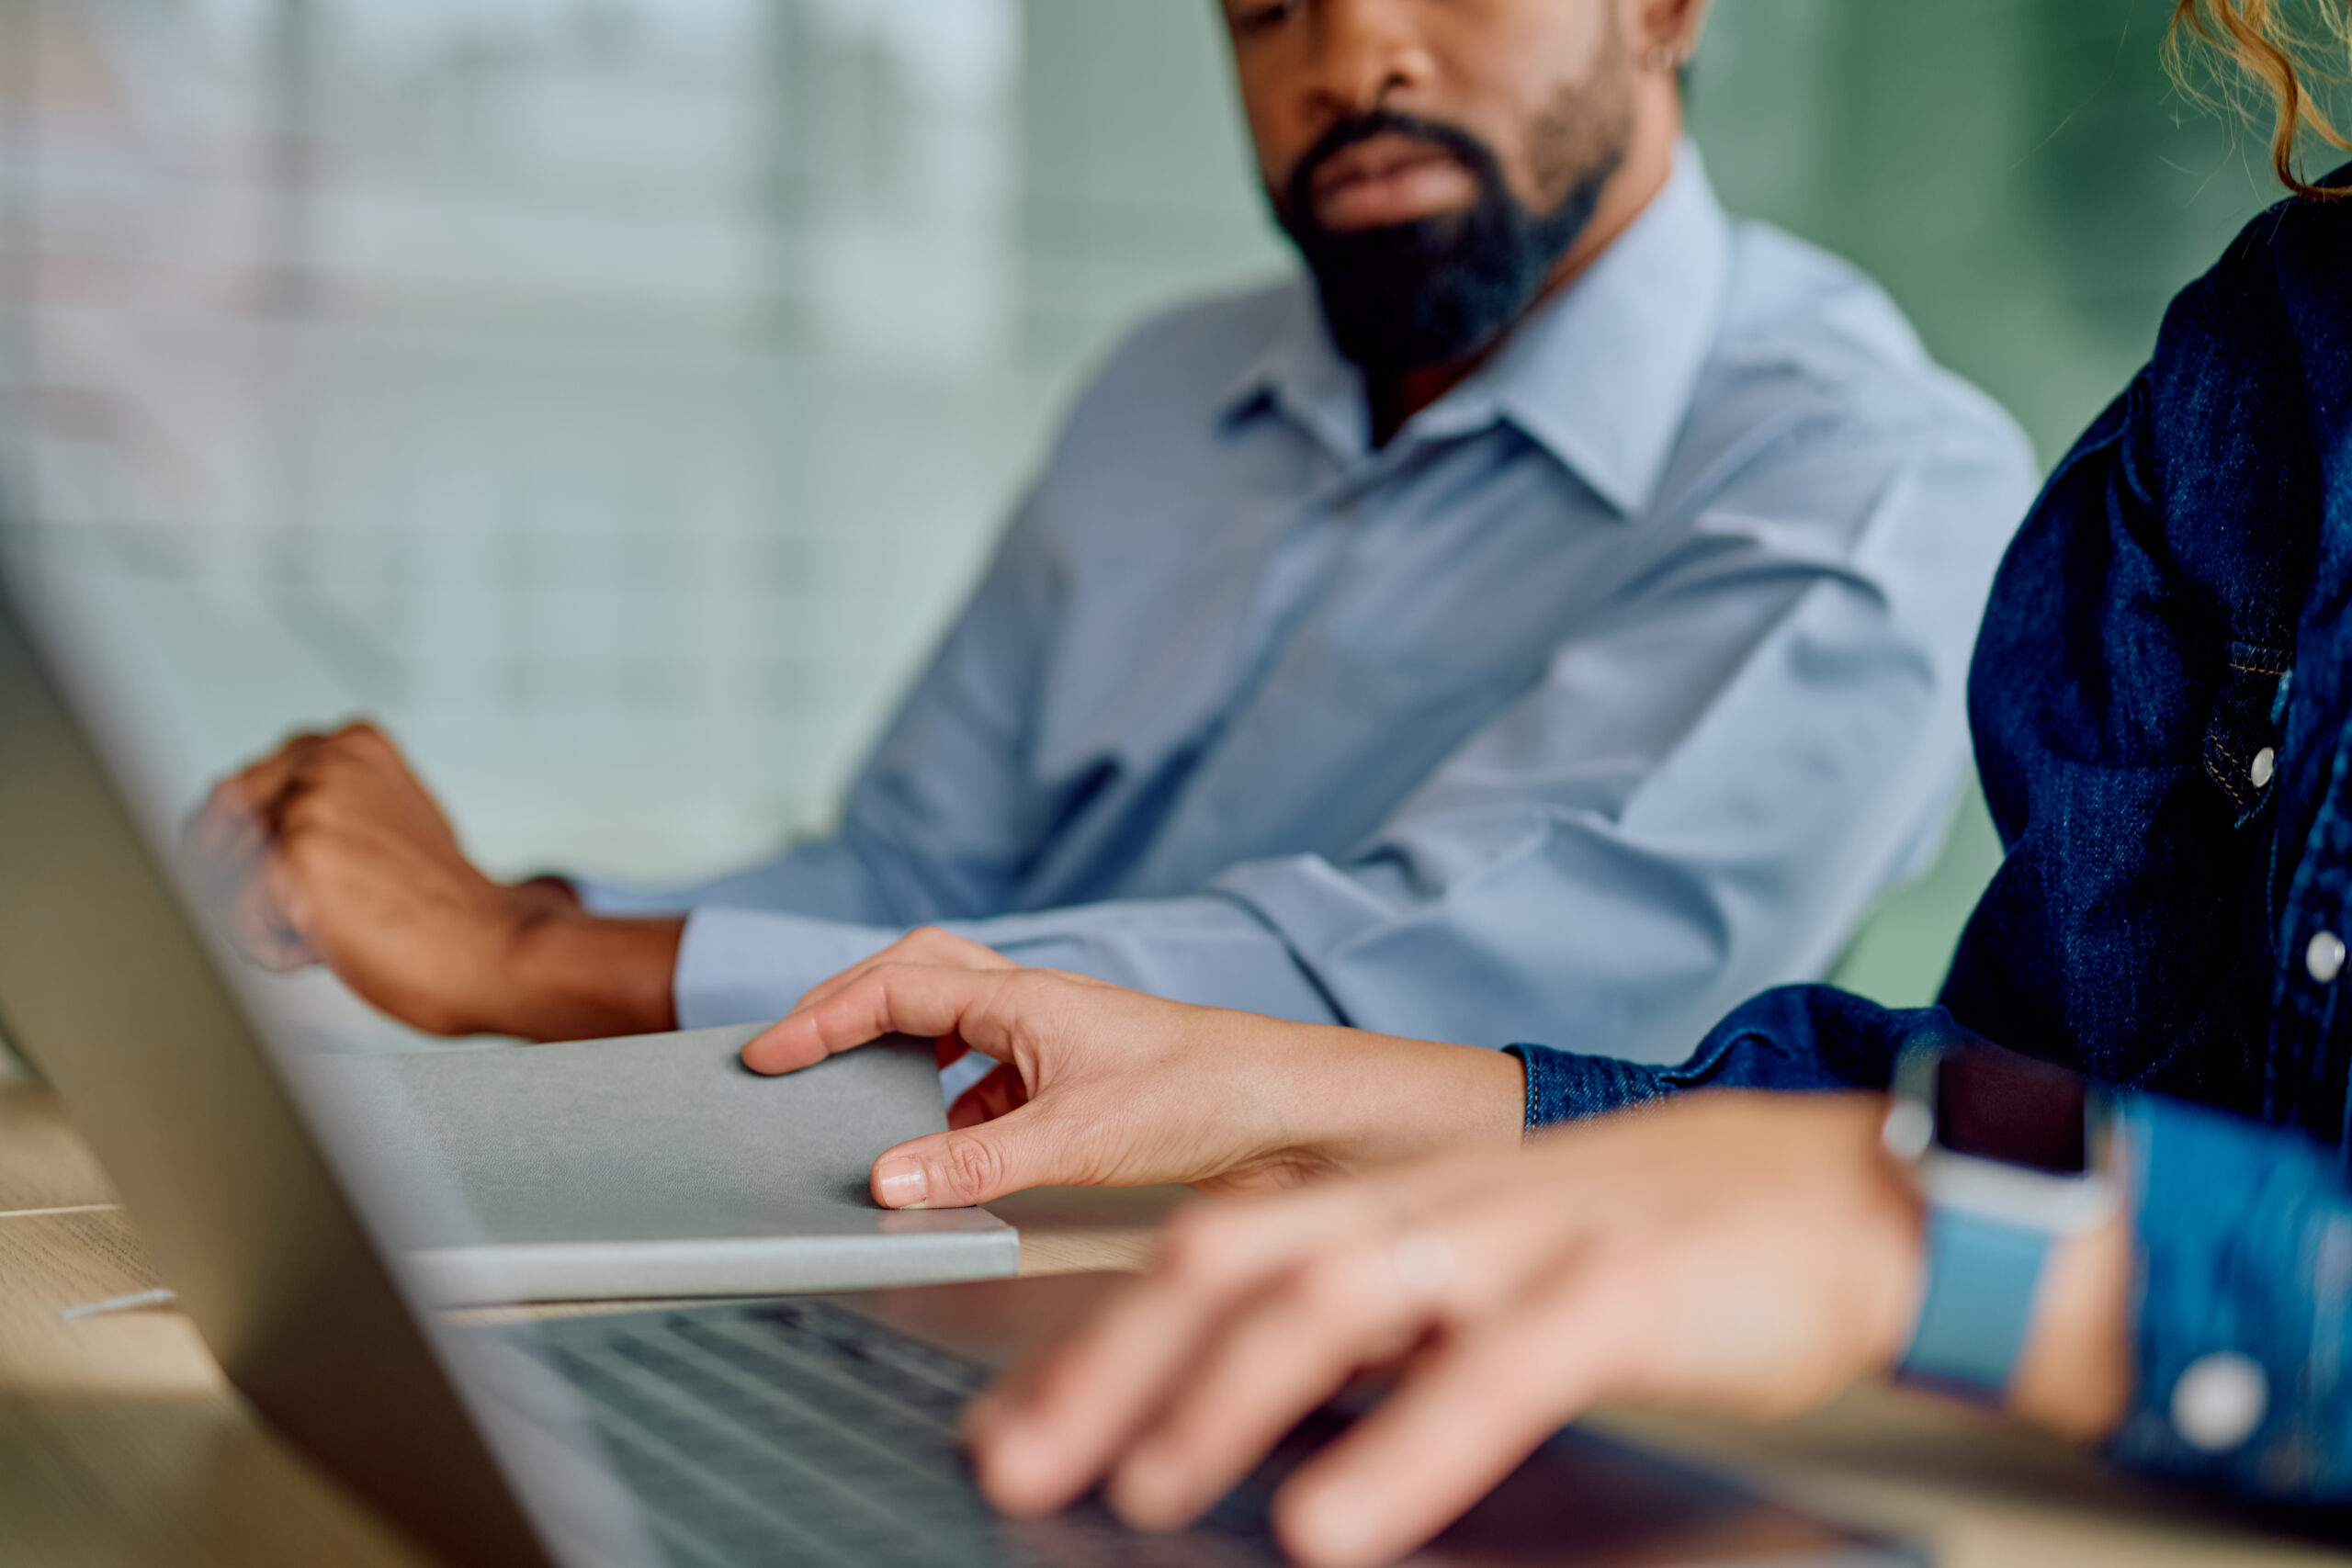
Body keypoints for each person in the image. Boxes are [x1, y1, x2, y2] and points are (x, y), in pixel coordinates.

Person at [730, 6, 2352, 1562]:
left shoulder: (1850, 458)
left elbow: (1950, 1204)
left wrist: (1951, 1245)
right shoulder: (2275, 356)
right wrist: (1289, 1088)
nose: (1357, 53)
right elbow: (2031, 1112)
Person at [188, 0, 2032, 1082]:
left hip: (1427, 1355)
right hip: (930, 1230)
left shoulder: (1870, 480)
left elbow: (1416, 1009)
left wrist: (524, 959)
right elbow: (915, 869)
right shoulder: (1169, 384)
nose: (1350, 56)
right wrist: (429, 911)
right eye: (1265, 7)